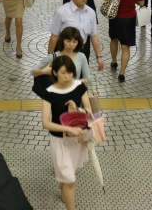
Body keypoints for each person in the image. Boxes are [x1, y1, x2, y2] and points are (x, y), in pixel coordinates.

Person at [40, 55, 92, 210]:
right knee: (70, 180)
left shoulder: (79, 87)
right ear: (55, 73)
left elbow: (89, 111)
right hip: (59, 141)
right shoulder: (48, 92)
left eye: (70, 72)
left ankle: (62, 186)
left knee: (69, 173)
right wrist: (69, 128)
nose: (68, 76)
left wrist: (78, 109)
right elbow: (45, 122)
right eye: (63, 73)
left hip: (76, 140)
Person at [103, 0, 145, 82]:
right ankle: (122, 73)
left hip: (115, 17)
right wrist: (134, 0)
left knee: (114, 39)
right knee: (125, 46)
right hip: (129, 19)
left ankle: (114, 61)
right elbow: (142, 3)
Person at [48, 0, 104, 70]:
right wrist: (50, 58)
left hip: (83, 51)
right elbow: (54, 36)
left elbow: (94, 36)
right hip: (65, 51)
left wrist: (99, 56)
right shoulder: (61, 12)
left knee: (81, 80)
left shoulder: (91, 12)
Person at [33, 27, 91, 93]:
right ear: (62, 41)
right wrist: (43, 71)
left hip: (74, 95)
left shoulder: (81, 56)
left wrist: (75, 82)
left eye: (74, 42)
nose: (71, 45)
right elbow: (33, 71)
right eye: (68, 41)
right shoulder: (53, 57)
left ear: (78, 43)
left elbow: (87, 78)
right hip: (55, 96)